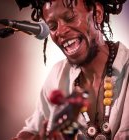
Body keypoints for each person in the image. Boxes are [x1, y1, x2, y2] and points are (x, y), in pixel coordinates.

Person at [12, 0, 129, 139]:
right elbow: (32, 131)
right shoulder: (58, 75)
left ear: (97, 14)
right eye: (52, 26)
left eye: (70, 18)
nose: (60, 31)